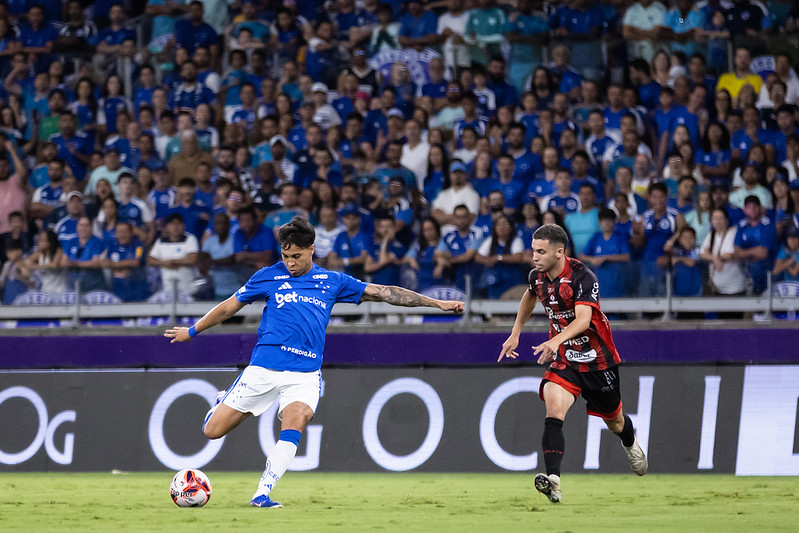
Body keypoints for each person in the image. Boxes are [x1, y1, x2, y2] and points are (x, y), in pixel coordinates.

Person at [164, 217, 463, 508]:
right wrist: (192, 331)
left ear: (311, 250)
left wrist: (437, 303)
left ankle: (262, 493)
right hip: (264, 367)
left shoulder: (332, 281)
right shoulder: (268, 276)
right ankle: (222, 401)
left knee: (295, 423)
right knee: (212, 431)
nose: (290, 263)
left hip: (304, 374)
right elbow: (229, 307)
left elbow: (385, 293)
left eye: (296, 256)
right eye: (285, 256)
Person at [498, 224, 647, 505]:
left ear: (559, 252)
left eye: (541, 252)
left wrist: (555, 340)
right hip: (565, 357)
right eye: (533, 251)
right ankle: (553, 481)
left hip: (597, 360)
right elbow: (530, 294)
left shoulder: (582, 277)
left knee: (615, 421)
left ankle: (630, 443)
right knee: (554, 409)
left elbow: (584, 320)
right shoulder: (537, 276)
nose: (534, 257)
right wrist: (516, 332)